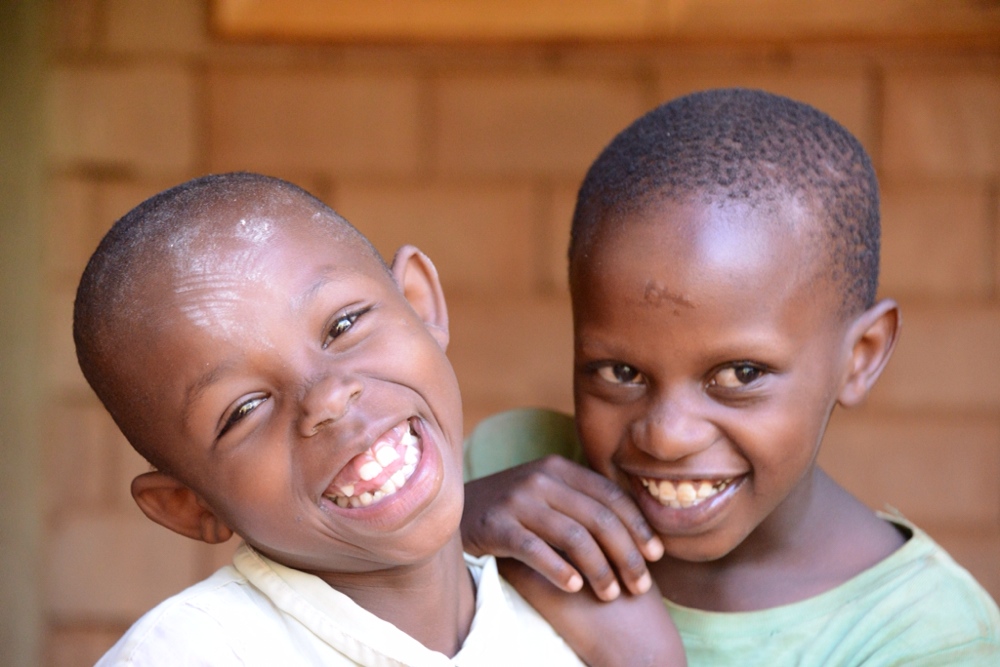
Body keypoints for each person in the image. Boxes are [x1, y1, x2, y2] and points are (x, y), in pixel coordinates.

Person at [461, 88, 1000, 665]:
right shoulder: (509, 478)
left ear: (860, 356)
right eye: (621, 372)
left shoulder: (933, 640)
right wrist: (445, 533)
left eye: (741, 374)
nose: (667, 436)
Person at [74, 172, 684, 666]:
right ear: (189, 504)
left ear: (420, 304)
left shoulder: (565, 631)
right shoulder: (194, 654)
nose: (328, 398)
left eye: (342, 326)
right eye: (243, 409)